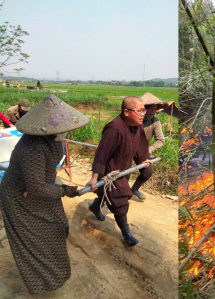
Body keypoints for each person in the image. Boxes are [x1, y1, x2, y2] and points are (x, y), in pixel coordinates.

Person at [0, 94, 88, 295]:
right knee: (34, 240)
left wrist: (47, 186)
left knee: (58, 226)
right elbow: (36, 187)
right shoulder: (33, 147)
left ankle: (52, 273)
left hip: (37, 189)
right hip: (18, 196)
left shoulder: (54, 140)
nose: (66, 130)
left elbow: (42, 178)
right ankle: (41, 282)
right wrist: (65, 190)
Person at [86, 96, 151, 247]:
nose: (143, 114)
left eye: (144, 110)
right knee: (120, 199)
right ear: (127, 112)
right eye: (139, 111)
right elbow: (101, 153)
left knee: (106, 193)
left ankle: (95, 206)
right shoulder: (114, 128)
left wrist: (142, 160)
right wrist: (95, 177)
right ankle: (126, 234)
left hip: (125, 167)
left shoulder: (138, 125)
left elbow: (139, 145)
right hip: (110, 171)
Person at [130, 93, 167, 200]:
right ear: (142, 109)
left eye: (155, 109)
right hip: (127, 148)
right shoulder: (132, 119)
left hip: (141, 150)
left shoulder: (155, 122)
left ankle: (134, 189)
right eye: (150, 108)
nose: (153, 111)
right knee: (121, 172)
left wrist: (148, 150)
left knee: (147, 171)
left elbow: (160, 140)